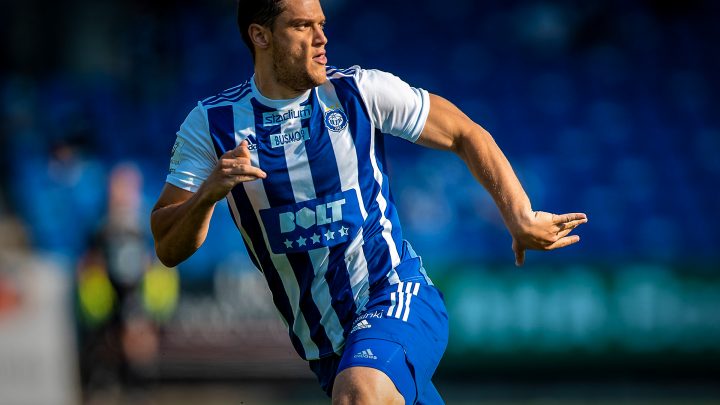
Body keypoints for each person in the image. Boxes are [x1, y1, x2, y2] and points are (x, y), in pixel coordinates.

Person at [150, 0, 588, 403]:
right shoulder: (211, 124)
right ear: (260, 36)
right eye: (303, 26)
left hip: (396, 295)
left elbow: (465, 133)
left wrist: (520, 215)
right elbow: (168, 247)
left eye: (322, 24)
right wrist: (207, 195)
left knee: (359, 393)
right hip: (326, 347)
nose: (321, 38)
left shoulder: (359, 92)